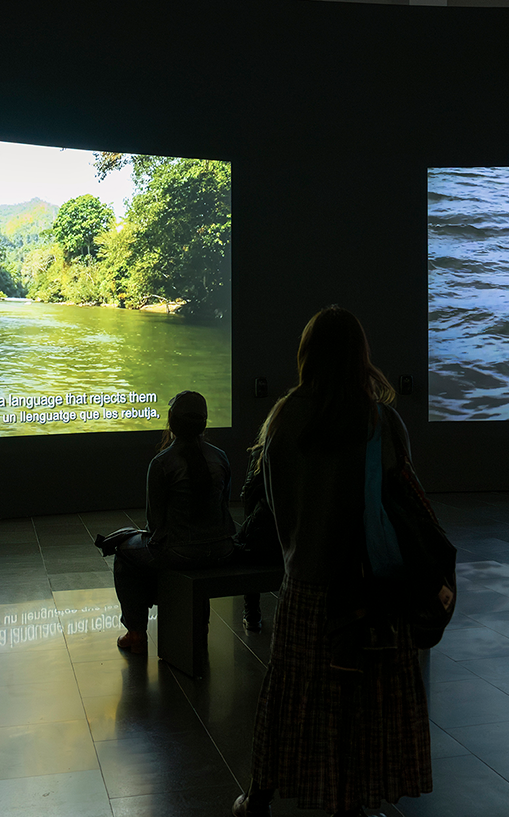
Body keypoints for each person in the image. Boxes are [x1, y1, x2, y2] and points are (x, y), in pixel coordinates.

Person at [234, 306, 432, 817]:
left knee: (292, 696)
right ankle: (355, 800)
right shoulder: (382, 420)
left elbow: (273, 503)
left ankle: (260, 794)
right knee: (365, 700)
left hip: (306, 581)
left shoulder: (284, 417)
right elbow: (403, 500)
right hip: (372, 586)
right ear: (361, 356)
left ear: (307, 354)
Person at [113, 390, 235, 654]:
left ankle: (135, 632)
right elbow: (223, 507)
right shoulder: (221, 458)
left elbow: (154, 525)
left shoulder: (162, 463)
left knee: (124, 553)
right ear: (204, 423)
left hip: (180, 552)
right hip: (223, 550)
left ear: (171, 422)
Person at [231, 441, 281, 632]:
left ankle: (252, 614)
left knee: (246, 543)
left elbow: (248, 495)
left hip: (262, 539)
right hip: (293, 541)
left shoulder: (260, 452)